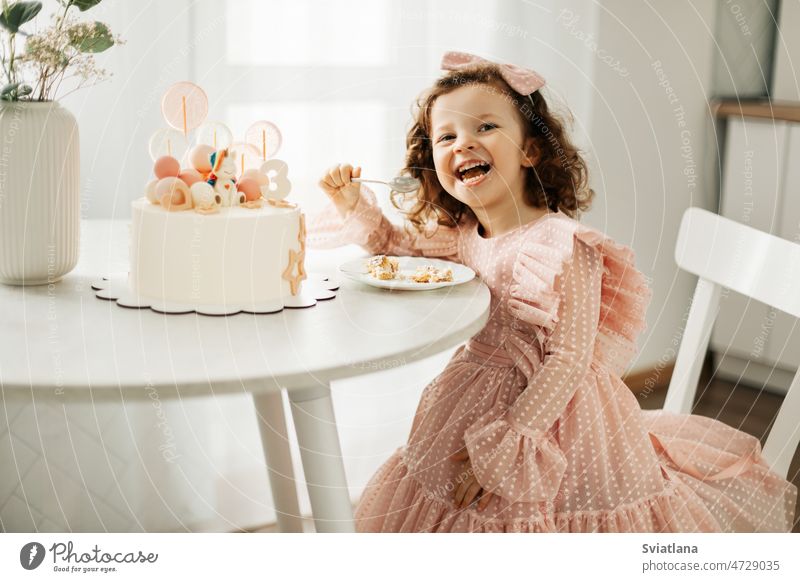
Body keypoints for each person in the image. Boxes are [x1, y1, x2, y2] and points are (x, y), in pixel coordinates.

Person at [307, 51, 797, 532]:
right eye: (446, 136)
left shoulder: (562, 245)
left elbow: (569, 359)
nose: (463, 143)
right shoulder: (464, 234)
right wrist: (354, 205)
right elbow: (397, 251)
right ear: (432, 163)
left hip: (552, 416)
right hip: (471, 396)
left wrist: (509, 443)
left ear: (530, 150)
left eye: (485, 127)